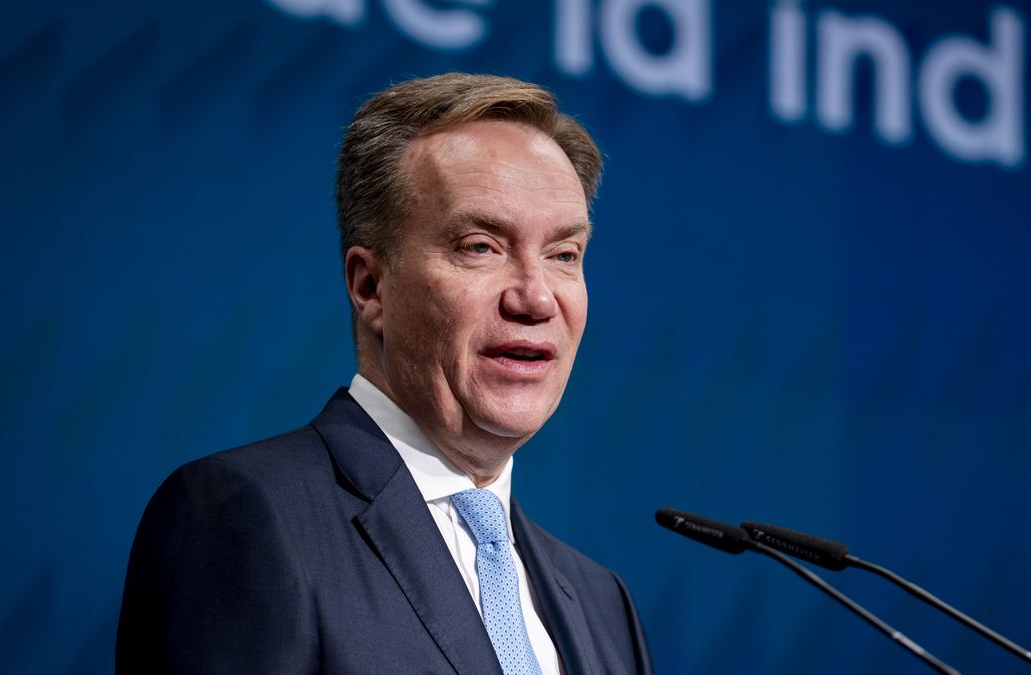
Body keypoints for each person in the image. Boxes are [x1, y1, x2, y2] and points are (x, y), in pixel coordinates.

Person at [115, 73, 652, 674]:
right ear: (370, 287)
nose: (535, 298)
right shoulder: (246, 520)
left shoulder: (603, 604)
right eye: (481, 246)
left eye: (563, 256)